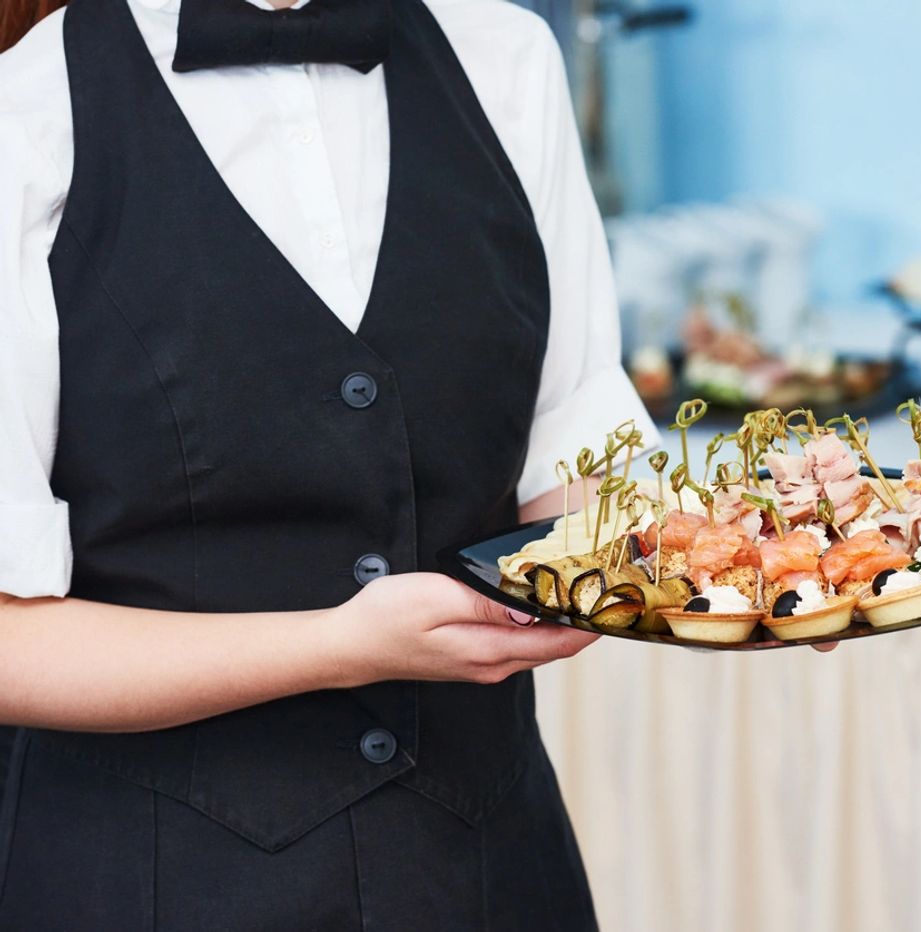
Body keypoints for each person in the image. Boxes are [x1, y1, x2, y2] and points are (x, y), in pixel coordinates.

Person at [0, 0, 657, 926]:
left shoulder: (506, 56)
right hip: (149, 880)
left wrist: (742, 575)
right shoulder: (23, 114)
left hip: (483, 868)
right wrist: (340, 646)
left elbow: (576, 441)